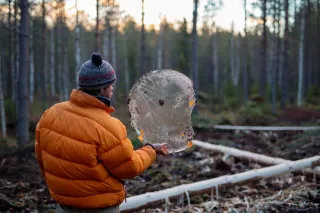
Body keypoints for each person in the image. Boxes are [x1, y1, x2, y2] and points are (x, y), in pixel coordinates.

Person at [35, 53, 168, 213]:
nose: (112, 88)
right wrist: (151, 150)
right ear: (102, 88)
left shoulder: (50, 114)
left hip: (63, 206)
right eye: (110, 85)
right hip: (99, 207)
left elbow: (42, 158)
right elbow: (129, 167)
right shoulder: (108, 126)